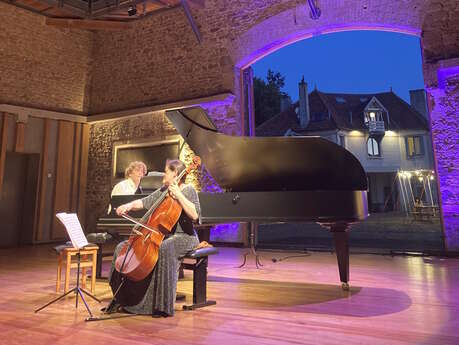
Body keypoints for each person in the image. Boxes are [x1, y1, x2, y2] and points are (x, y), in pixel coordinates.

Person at [108, 159, 200, 317]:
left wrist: (178, 195)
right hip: (165, 235)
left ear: (175, 174)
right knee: (121, 247)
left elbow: (195, 215)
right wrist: (128, 206)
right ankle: (123, 298)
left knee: (165, 248)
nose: (163, 174)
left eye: (166, 171)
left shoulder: (188, 190)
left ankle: (162, 306)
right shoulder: (164, 190)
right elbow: (145, 201)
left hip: (185, 236)